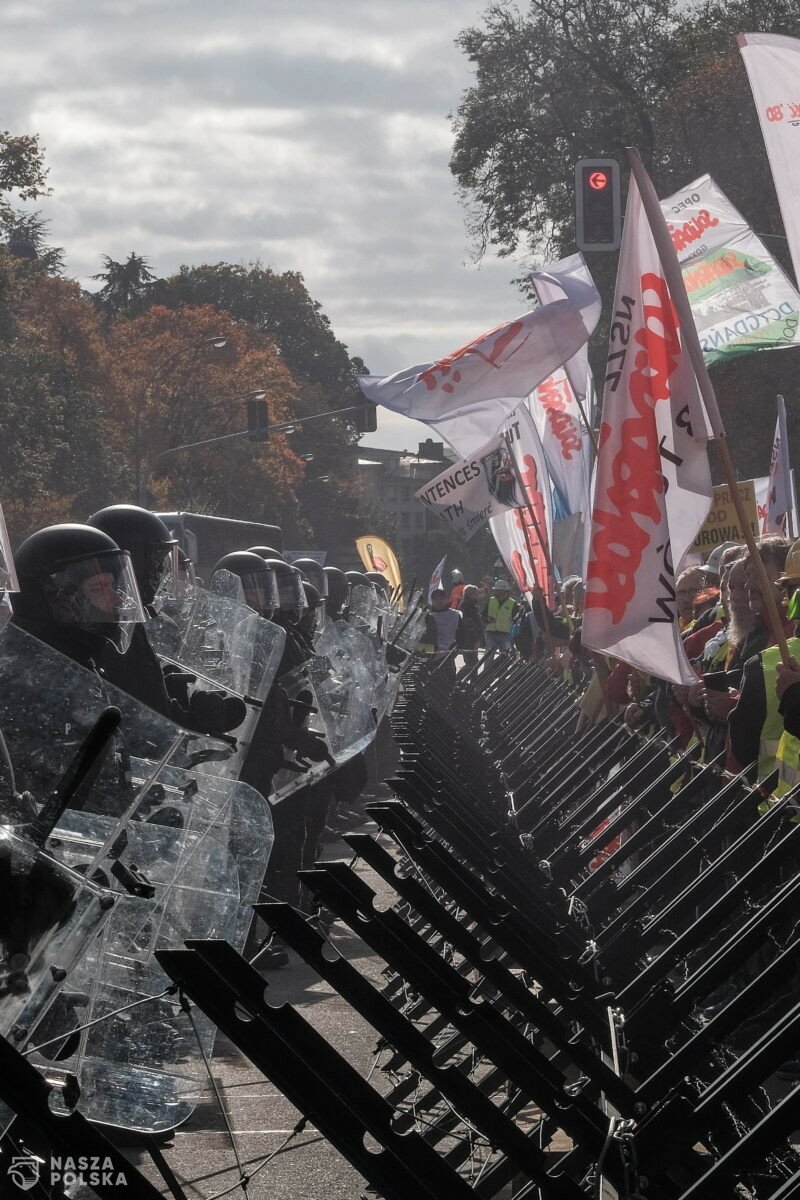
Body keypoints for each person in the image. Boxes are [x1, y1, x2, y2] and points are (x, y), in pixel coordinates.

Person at [483, 579, 518, 655]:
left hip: (506, 634)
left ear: (505, 591)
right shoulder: (491, 600)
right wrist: (487, 620)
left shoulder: (512, 603)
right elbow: (483, 615)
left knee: (506, 655)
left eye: (498, 590)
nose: (497, 592)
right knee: (488, 656)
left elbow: (516, 619)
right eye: (496, 590)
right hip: (491, 633)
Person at [455, 584, 484, 669]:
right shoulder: (467, 606)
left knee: (473, 663)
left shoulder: (470, 605)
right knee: (472, 664)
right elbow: (469, 625)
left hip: (469, 640)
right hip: (469, 641)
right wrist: (476, 640)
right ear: (470, 594)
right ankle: (461, 677)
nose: (478, 595)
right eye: (476, 593)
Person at [429, 588, 461, 660]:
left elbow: (461, 633)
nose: (438, 602)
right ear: (432, 601)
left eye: (441, 599)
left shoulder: (455, 615)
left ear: (446, 600)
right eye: (436, 599)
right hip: (429, 652)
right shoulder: (426, 615)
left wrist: (456, 647)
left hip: (448, 653)